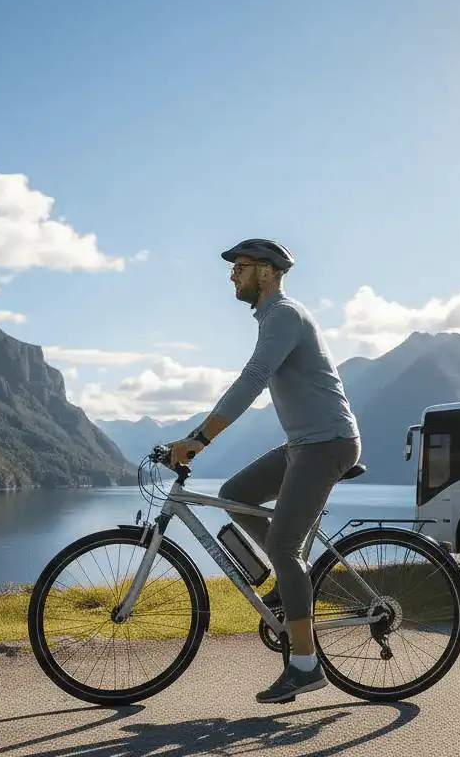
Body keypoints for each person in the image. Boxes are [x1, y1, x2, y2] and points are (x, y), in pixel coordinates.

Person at [165, 238, 360, 704]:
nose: (232, 274)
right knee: (236, 494)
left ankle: (305, 666)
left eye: (241, 266)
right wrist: (196, 434)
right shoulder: (271, 319)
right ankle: (294, 578)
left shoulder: (285, 316)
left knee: (282, 544)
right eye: (233, 267)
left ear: (268, 273)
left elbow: (251, 380)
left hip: (327, 443)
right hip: (303, 444)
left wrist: (200, 438)